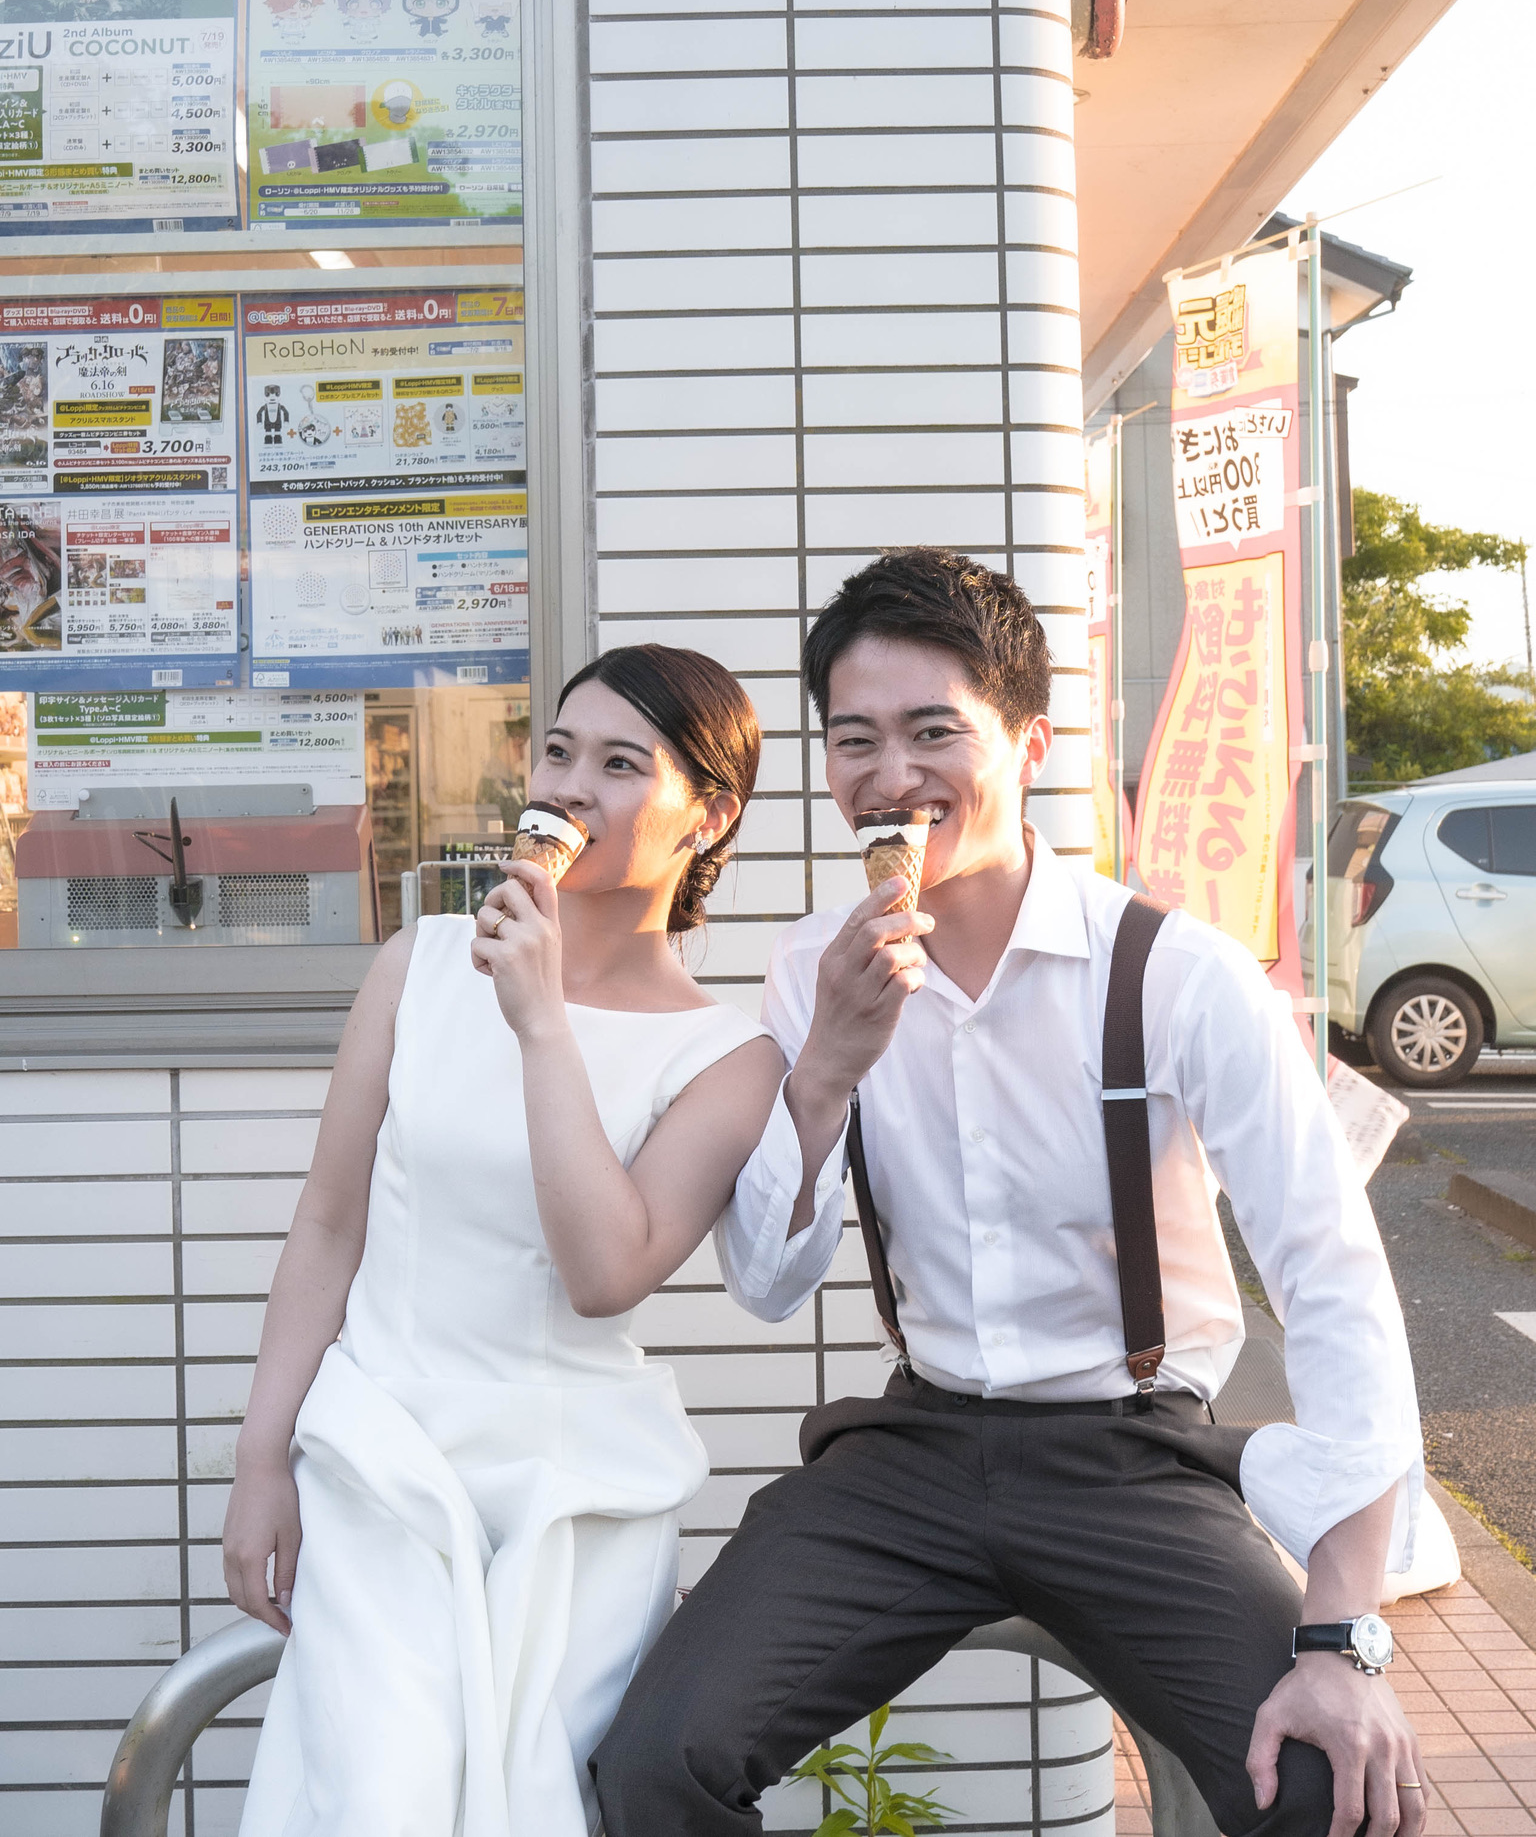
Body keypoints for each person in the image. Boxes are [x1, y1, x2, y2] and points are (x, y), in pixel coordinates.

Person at [596, 549, 1427, 1837]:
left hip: (1135, 1455)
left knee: (1327, 1789)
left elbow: (1334, 1284)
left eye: (935, 732)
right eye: (855, 740)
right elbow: (764, 1284)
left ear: (1030, 741)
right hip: (914, 1453)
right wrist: (827, 1070)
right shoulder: (814, 968)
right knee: (657, 1762)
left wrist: (1342, 1634)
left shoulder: (1175, 975)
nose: (891, 776)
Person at [225, 643, 787, 1837]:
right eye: (559, 752)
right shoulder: (420, 964)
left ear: (711, 816)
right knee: (378, 1800)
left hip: (575, 1489)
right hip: (383, 1452)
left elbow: (606, 1273)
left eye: (623, 765)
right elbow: (328, 1223)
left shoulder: (730, 1058)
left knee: (535, 1807)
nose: (571, 787)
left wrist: (541, 1022)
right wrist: (261, 1460)